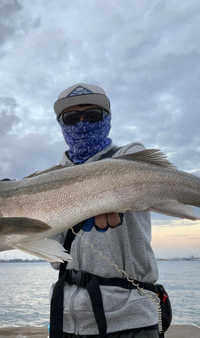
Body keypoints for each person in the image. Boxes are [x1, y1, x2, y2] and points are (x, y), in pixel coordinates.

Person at [49, 83, 161, 338]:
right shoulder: (50, 179)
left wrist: (112, 195)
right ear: (61, 124)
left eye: (93, 115)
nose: (82, 123)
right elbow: (55, 257)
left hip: (130, 321)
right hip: (66, 321)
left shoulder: (130, 157)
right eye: (71, 117)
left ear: (107, 119)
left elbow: (130, 173)